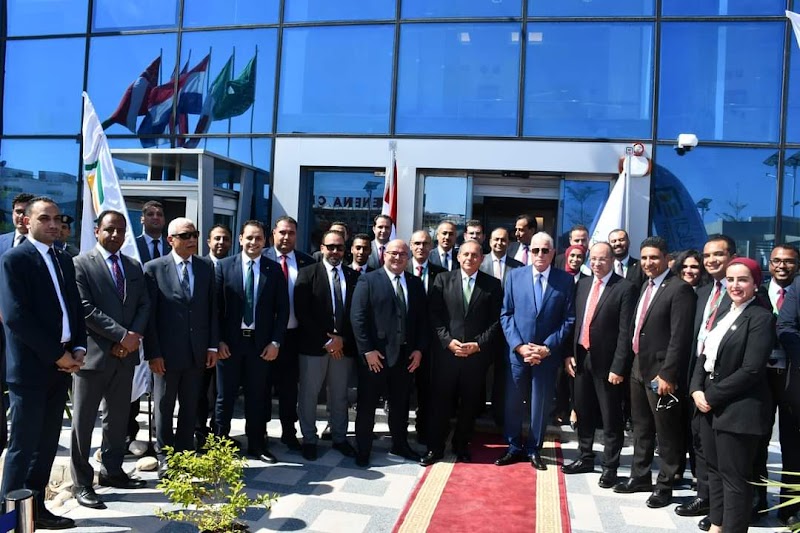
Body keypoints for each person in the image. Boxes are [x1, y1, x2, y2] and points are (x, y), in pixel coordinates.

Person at [0, 196, 87, 530]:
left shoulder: (64, 259)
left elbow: (74, 308)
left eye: (57, 219)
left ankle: (36, 510)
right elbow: (16, 317)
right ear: (27, 222)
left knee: (47, 443)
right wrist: (57, 354)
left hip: (62, 366)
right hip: (31, 369)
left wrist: (78, 347)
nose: (53, 224)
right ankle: (9, 520)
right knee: (23, 446)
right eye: (44, 218)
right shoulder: (15, 259)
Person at [70, 210, 150, 510]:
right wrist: (121, 336)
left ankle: (112, 471)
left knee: (117, 419)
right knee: (83, 424)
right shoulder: (81, 263)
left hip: (125, 358)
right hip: (92, 358)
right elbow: (84, 308)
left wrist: (132, 337)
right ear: (97, 231)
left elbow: (144, 304)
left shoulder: (132, 265)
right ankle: (82, 483)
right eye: (109, 229)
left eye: (120, 230)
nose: (115, 235)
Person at [690, 258, 775, 533]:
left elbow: (751, 370)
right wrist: (696, 389)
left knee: (735, 480)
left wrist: (711, 396)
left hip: (738, 410)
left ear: (756, 284)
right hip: (710, 406)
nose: (735, 285)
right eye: (731, 279)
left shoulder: (761, 318)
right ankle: (717, 525)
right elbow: (705, 356)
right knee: (714, 472)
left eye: (743, 280)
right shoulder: (726, 312)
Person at [614, 236, 695, 510]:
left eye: (654, 257)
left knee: (667, 430)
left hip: (661, 373)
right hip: (639, 367)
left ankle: (666, 485)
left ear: (666, 259)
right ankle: (640, 476)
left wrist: (668, 374)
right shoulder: (645, 286)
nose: (648, 263)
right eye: (645, 258)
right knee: (641, 427)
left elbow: (680, 337)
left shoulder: (680, 289)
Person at [144, 217, 218, 478]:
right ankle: (165, 456)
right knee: (164, 406)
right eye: (185, 236)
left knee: (190, 404)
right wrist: (153, 352)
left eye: (194, 234)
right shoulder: (154, 268)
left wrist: (212, 347)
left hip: (197, 352)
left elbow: (212, 310)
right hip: (166, 354)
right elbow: (149, 317)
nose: (192, 240)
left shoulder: (206, 267)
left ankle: (185, 453)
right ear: (170, 240)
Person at [497, 231, 575, 470]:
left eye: (545, 250)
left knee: (540, 404)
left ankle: (534, 449)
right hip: (518, 354)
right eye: (535, 250)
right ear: (529, 251)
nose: (540, 254)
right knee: (513, 402)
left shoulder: (565, 281)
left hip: (546, 356)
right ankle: (513, 447)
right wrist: (520, 346)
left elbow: (568, 319)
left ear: (553, 253)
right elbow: (506, 314)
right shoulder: (514, 276)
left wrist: (546, 347)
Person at [562, 242, 637, 490]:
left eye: (602, 259)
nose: (596, 263)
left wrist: (619, 366)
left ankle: (610, 467)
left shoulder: (624, 288)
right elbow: (573, 322)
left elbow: (626, 332)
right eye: (593, 259)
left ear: (612, 260)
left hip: (608, 364)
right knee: (583, 411)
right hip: (581, 358)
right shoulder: (582, 284)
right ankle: (585, 457)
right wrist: (568, 354)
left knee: (610, 417)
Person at [420, 241, 502, 466]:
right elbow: (434, 315)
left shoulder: (492, 285)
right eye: (465, 254)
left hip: (475, 357)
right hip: (447, 355)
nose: (469, 258)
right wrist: (447, 341)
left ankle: (461, 445)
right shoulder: (443, 280)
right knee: (440, 403)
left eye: (475, 255)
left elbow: (496, 321)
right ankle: (435, 448)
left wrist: (478, 344)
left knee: (469, 404)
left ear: (481, 259)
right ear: (458, 256)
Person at [215, 220, 288, 464]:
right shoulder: (224, 266)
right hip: (229, 345)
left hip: (260, 346)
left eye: (258, 238)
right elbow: (215, 309)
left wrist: (275, 342)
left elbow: (282, 310)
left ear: (265, 241)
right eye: (249, 237)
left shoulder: (273, 269)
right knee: (224, 398)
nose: (253, 242)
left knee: (257, 398)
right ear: (240, 239)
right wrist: (218, 341)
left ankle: (257, 445)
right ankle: (220, 447)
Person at [350, 239, 428, 467]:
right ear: (385, 255)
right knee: (367, 405)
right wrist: (367, 351)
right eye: (393, 253)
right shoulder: (368, 280)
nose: (398, 257)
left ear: (408, 257)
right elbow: (358, 318)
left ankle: (400, 444)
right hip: (376, 357)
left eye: (402, 254)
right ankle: (363, 449)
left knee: (400, 405)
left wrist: (419, 350)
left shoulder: (414, 283)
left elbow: (423, 321)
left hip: (405, 357)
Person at [678, 235, 735, 526]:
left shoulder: (740, 293)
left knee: (721, 448)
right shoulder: (701, 292)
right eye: (707, 255)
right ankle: (705, 496)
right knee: (699, 440)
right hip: (697, 376)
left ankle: (726, 509)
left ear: (732, 256)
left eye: (718, 254)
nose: (711, 260)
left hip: (724, 382)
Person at [295, 230, 359, 461]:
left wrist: (343, 340)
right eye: (330, 247)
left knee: (340, 395)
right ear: (321, 248)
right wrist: (327, 340)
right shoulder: (307, 273)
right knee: (309, 395)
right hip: (314, 347)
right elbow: (302, 312)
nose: (334, 251)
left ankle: (339, 437)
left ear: (345, 250)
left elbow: (357, 313)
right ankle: (309, 439)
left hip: (343, 348)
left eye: (339, 247)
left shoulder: (353, 276)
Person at [263, 215, 315, 451]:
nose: (286, 237)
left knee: (289, 388)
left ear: (297, 235)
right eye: (282, 232)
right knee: (262, 386)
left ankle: (288, 432)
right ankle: (260, 430)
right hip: (265, 337)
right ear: (273, 234)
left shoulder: (307, 262)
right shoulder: (261, 257)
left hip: (294, 336)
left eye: (291, 233)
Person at [757, 244, 800, 525]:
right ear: (769, 264)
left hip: (792, 376)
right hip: (759, 376)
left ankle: (789, 507)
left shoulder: (798, 292)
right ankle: (755, 501)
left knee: (792, 444)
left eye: (789, 261)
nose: (782, 266)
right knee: (756, 440)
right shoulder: (756, 291)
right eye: (777, 261)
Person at [479, 227, 523, 425]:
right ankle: (478, 408)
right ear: (489, 241)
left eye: (503, 240)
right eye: (496, 239)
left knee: (503, 372)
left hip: (508, 329)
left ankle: (499, 411)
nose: (499, 243)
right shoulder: (479, 262)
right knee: (480, 370)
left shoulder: (518, 267)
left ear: (509, 243)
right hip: (484, 327)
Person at [407, 230, 446, 444]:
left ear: (431, 247)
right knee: (401, 390)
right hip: (403, 340)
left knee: (426, 389)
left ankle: (423, 430)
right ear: (411, 246)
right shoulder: (400, 268)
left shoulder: (441, 274)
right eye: (417, 243)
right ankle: (399, 432)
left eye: (425, 243)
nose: (421, 247)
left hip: (431, 343)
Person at [196, 224, 232, 446]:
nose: (221, 242)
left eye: (225, 239)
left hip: (227, 343)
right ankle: (199, 432)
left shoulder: (234, 266)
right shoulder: (199, 266)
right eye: (217, 238)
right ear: (208, 241)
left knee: (223, 392)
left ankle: (219, 434)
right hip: (203, 341)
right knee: (201, 389)